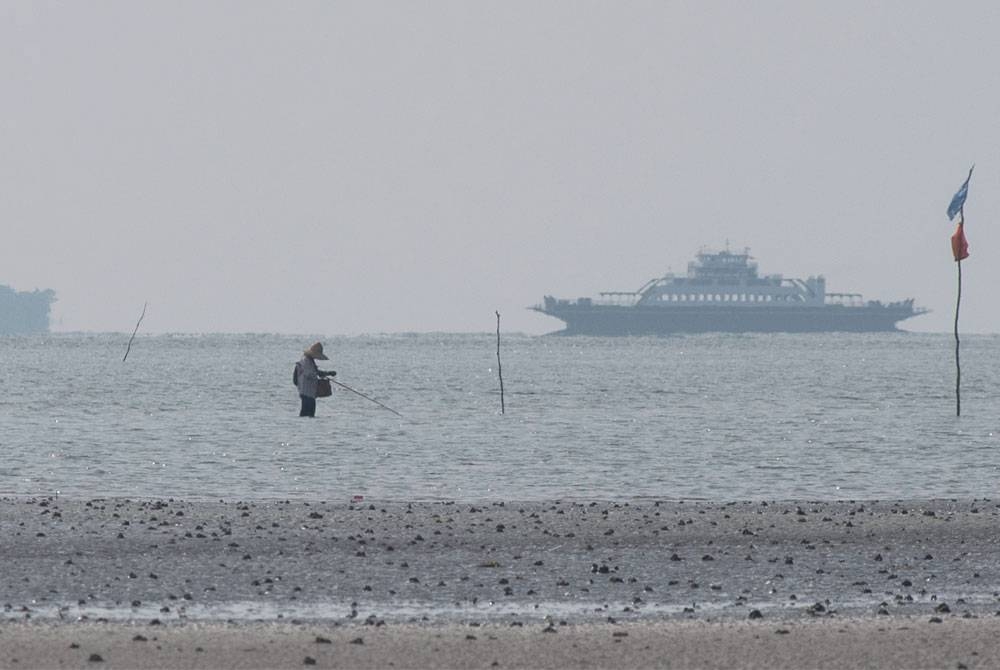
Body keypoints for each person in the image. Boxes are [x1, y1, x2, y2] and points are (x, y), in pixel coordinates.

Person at [296, 341, 336, 417]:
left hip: (310, 392)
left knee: (310, 413)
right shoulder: (306, 361)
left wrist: (327, 373)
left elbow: (314, 372)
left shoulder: (310, 361)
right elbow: (309, 374)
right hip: (306, 392)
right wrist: (321, 374)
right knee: (306, 414)